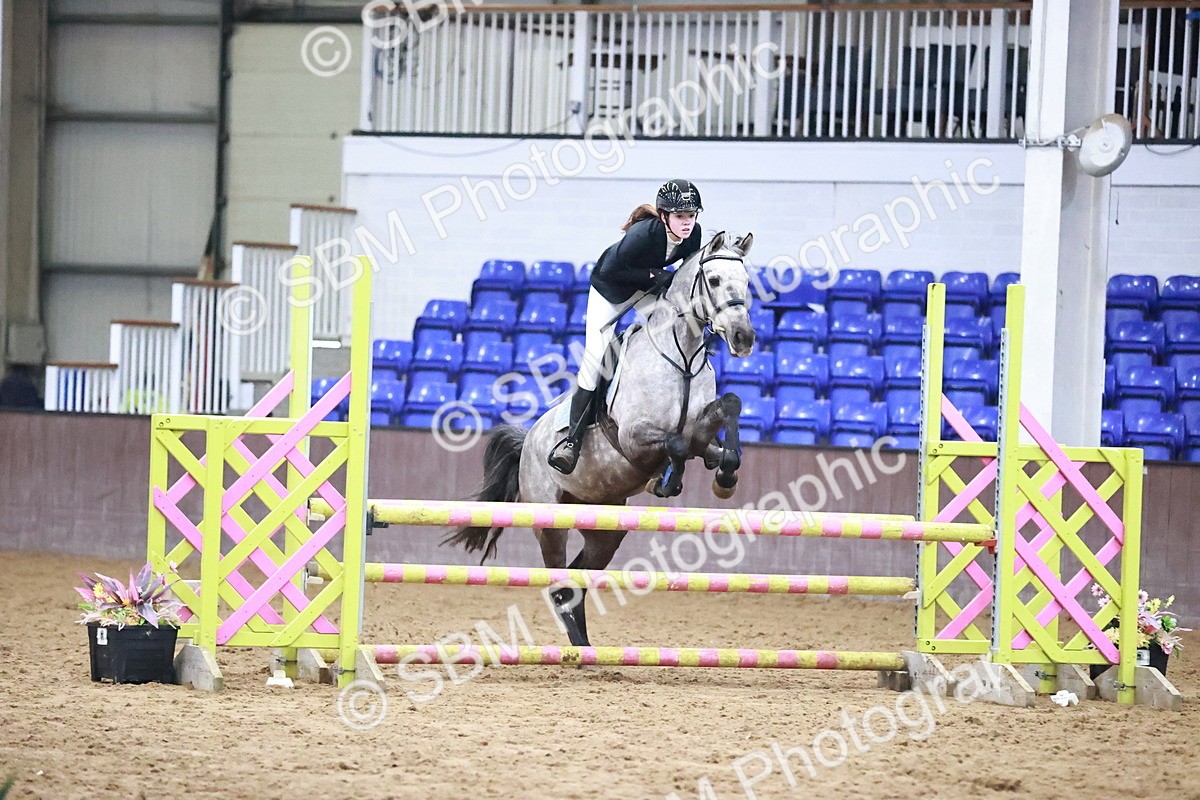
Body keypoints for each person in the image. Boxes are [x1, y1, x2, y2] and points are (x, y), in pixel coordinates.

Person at [547, 179, 704, 475]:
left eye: (691, 215)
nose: (687, 223)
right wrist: (655, 276)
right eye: (680, 216)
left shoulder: (693, 236)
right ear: (664, 216)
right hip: (610, 290)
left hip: (644, 290)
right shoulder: (643, 235)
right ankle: (571, 442)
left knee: (672, 328)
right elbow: (612, 270)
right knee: (595, 360)